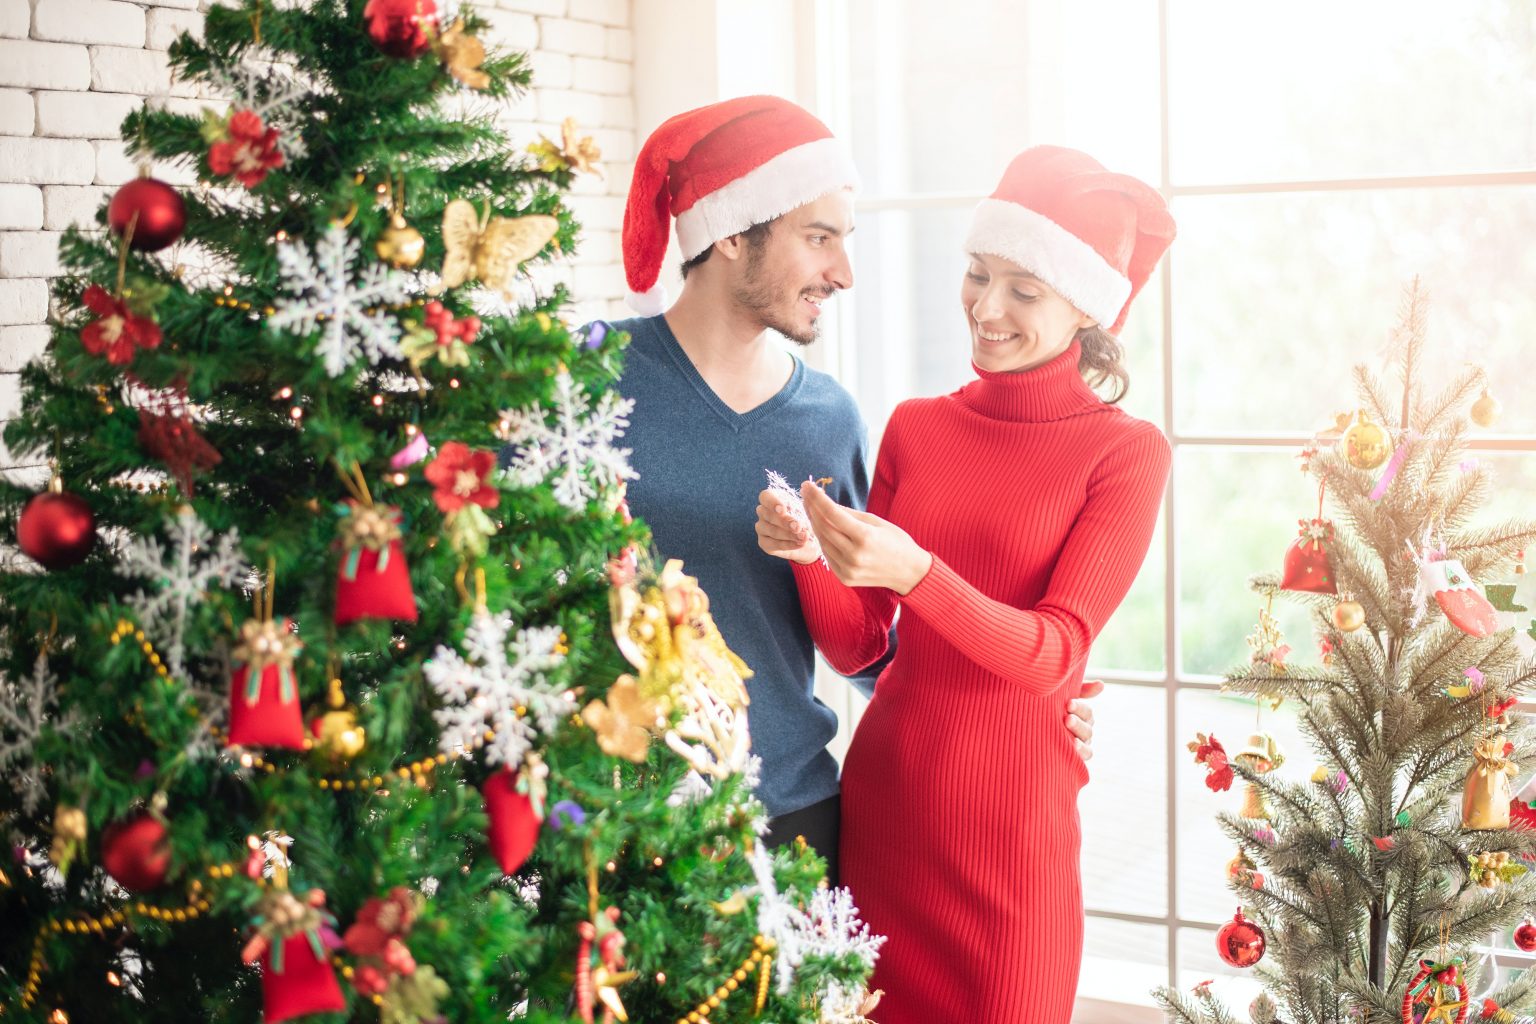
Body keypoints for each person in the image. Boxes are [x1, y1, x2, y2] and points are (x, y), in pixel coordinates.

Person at [612, 98, 1099, 884]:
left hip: (793, 819)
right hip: (612, 821)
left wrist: (1038, 710)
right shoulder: (589, 379)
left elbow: (873, 640)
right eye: (819, 237)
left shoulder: (826, 418)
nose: (843, 272)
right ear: (733, 234)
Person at [754, 145, 1175, 1021]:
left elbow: (1055, 652)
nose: (986, 308)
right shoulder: (918, 426)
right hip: (890, 806)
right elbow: (860, 641)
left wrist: (919, 572)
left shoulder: (1125, 454)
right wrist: (808, 560)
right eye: (979, 275)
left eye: (1025, 290)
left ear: (1084, 310)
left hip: (1011, 838)